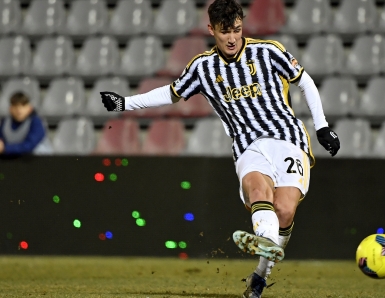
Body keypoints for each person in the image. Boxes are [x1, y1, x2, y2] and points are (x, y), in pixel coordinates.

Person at [100, 0, 340, 297]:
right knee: (257, 192)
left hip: (288, 139)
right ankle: (265, 237)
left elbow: (305, 82)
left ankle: (260, 275)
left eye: (237, 30)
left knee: (285, 210)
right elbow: (171, 94)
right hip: (248, 145)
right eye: (225, 32)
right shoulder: (202, 67)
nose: (232, 38)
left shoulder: (268, 51)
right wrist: (125, 102)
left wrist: (322, 126)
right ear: (211, 29)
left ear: (243, 26)